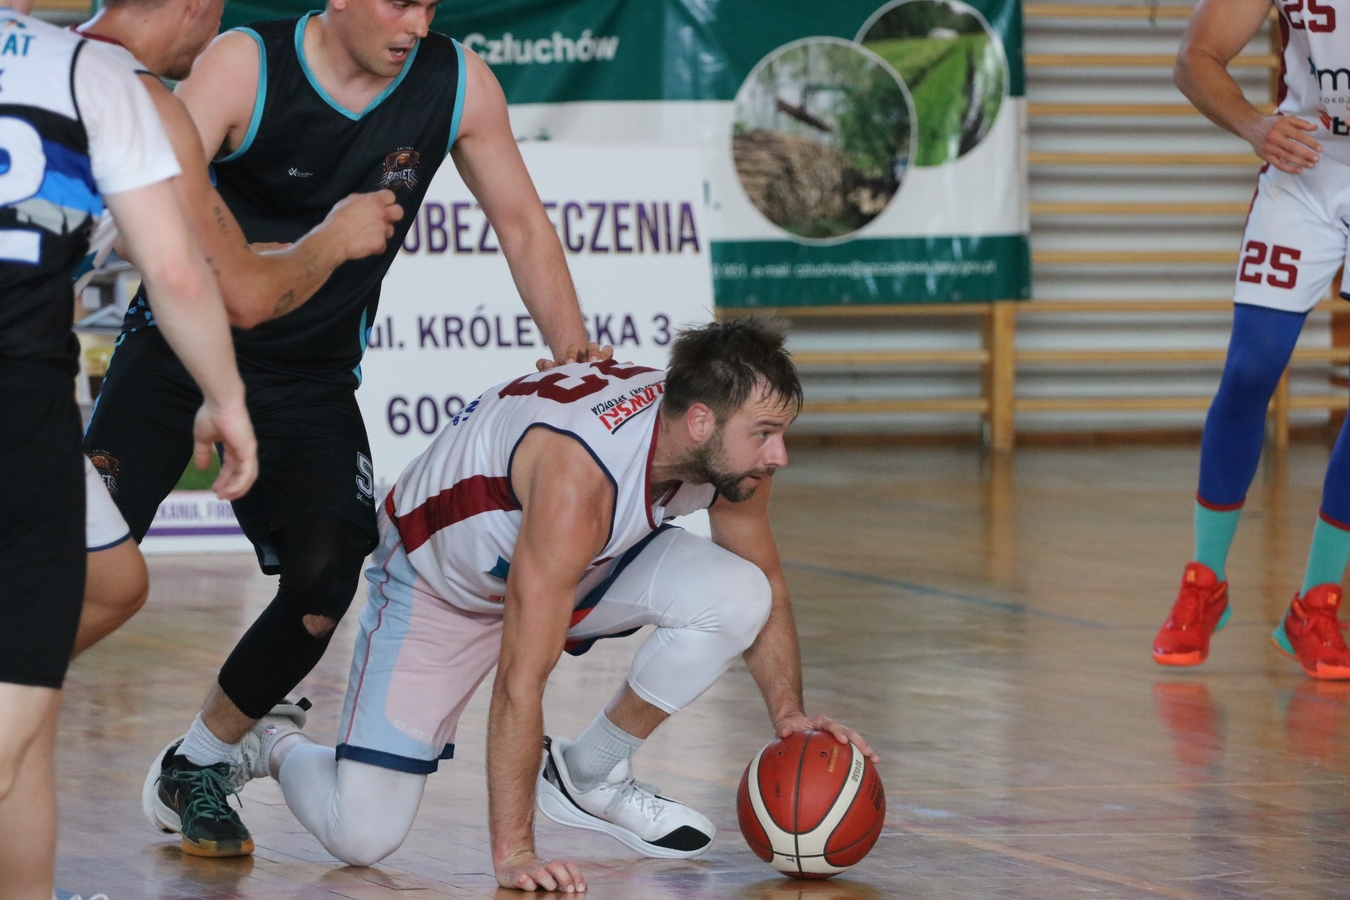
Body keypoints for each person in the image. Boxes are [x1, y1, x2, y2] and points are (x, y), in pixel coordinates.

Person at [80, 0, 603, 858]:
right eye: (400, 2)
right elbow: (151, 215)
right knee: (81, 566)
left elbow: (521, 224)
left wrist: (574, 359)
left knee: (326, 578)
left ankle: (198, 761)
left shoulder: (457, 83)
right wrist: (246, 318)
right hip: (181, 347)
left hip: (309, 376)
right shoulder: (244, 66)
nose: (416, 24)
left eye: (430, 4)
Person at [234, 318, 876, 893]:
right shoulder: (581, 478)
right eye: (765, 434)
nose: (779, 454)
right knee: (361, 836)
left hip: (573, 565)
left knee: (743, 593)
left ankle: (590, 773)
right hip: (437, 586)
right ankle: (274, 740)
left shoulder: (722, 450)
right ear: (701, 421)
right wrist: (515, 854)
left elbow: (767, 576)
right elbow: (520, 683)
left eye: (781, 433)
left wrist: (788, 714)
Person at [0, 2, 258, 897]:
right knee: (18, 710)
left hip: (28, 412)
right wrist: (227, 398)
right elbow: (183, 272)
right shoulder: (96, 76)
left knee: (43, 689)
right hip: (18, 408)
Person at [70, 0, 406, 661]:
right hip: (22, 377)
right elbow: (236, 293)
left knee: (103, 580)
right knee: (93, 582)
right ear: (195, 5)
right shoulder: (145, 107)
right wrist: (334, 239)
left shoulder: (32, 56)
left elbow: (176, 271)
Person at [1154, 0, 1350, 678]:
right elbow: (1195, 56)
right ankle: (1204, 581)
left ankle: (1316, 605)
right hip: (1307, 166)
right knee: (1251, 369)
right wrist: (1254, 124)